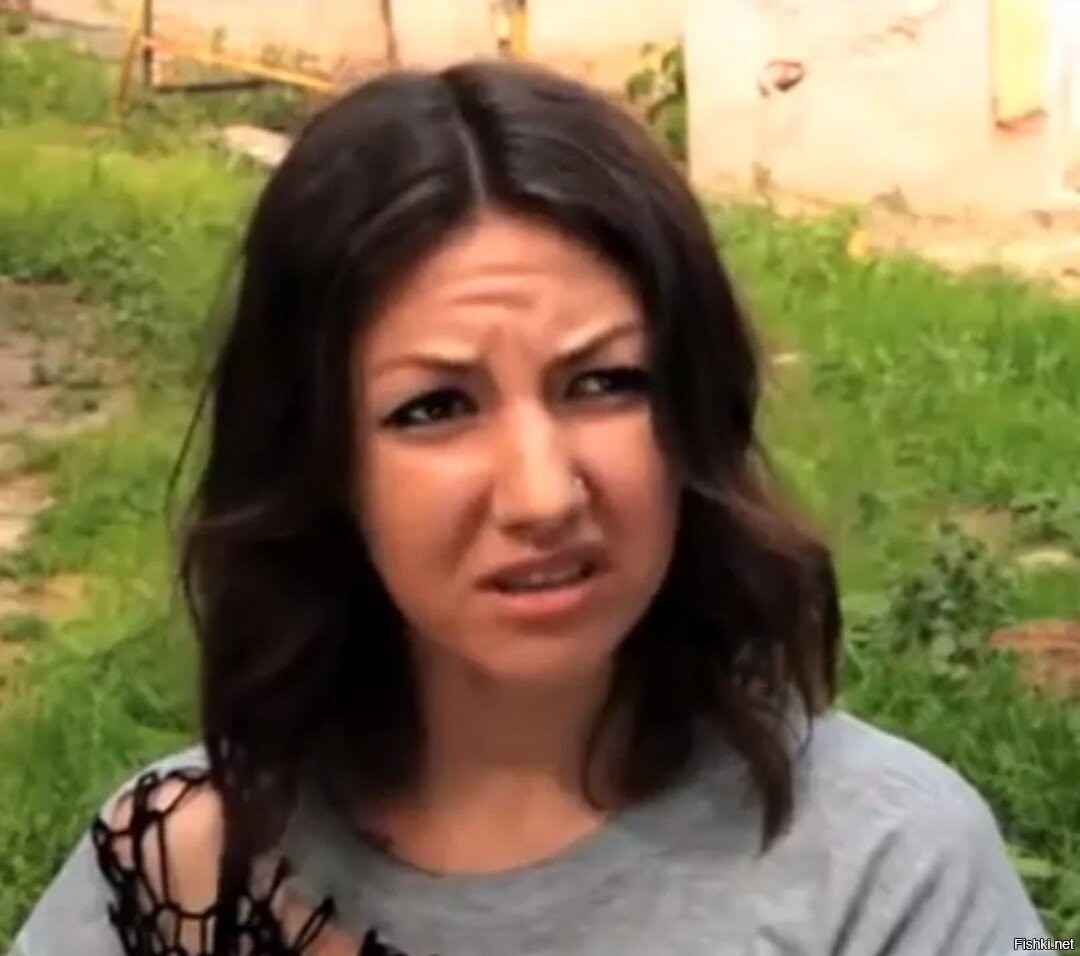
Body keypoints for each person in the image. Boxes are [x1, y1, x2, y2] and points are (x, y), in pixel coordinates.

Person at [8, 58, 1047, 956]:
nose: (544, 493)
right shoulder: (182, 873)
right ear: (317, 460)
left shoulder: (894, 866)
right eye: (435, 407)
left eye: (603, 383)